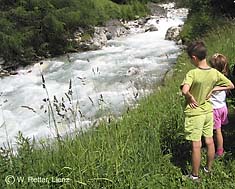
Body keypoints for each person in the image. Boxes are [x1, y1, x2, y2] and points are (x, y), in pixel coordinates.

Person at [180, 41, 234, 180]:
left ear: (194, 58)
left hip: (195, 113)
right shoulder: (214, 72)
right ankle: (208, 169)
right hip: (208, 111)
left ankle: (195, 175)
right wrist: (215, 88)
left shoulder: (192, 73)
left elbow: (185, 90)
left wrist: (190, 96)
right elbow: (230, 85)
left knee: (196, 145)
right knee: (209, 141)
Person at [209, 53, 231, 157]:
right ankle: (222, 142)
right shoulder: (224, 78)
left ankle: (219, 150)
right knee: (220, 129)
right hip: (223, 107)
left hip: (215, 109)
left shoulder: (213, 80)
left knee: (217, 131)